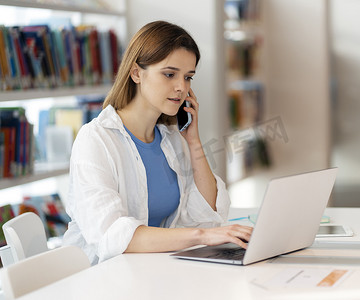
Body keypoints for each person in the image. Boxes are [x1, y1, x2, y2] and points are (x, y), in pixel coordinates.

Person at [63, 20, 253, 265]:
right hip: (98, 277)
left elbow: (207, 216)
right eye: (169, 74)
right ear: (136, 73)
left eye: (188, 77)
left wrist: (193, 141)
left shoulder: (172, 139)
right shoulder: (96, 140)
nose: (181, 87)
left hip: (150, 270)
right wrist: (203, 236)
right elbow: (112, 236)